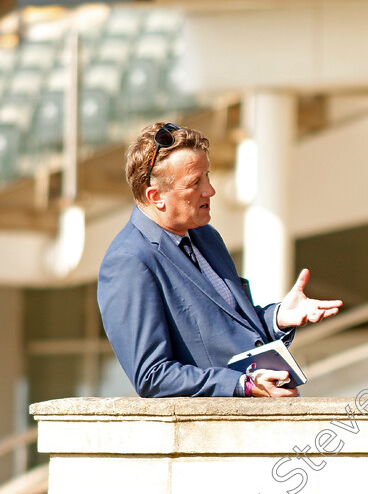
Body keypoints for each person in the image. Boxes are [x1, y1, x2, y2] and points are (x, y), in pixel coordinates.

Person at [98, 122, 342, 398]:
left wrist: (278, 318)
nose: (210, 191)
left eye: (207, 176)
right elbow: (152, 376)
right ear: (156, 197)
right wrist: (243, 386)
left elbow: (231, 330)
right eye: (195, 183)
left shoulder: (206, 236)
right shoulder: (128, 261)